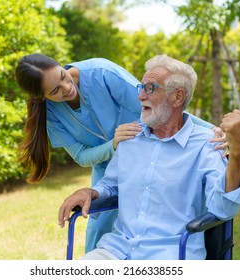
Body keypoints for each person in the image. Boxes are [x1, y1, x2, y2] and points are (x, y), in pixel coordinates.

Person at [15, 54, 224, 253]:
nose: (67, 88)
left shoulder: (102, 73)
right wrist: (113, 145)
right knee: (97, 232)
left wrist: (211, 130)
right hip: (106, 169)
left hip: (145, 154)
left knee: (160, 220)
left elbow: (164, 105)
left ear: (61, 65)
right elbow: (81, 156)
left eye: (63, 76)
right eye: (55, 91)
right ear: (42, 98)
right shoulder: (50, 114)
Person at [58, 54, 240, 260]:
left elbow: (224, 207)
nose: (140, 96)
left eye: (150, 88)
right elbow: (111, 186)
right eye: (140, 88)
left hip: (171, 254)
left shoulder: (206, 144)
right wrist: (91, 192)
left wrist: (237, 153)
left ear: (177, 97)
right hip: (117, 249)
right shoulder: (130, 137)